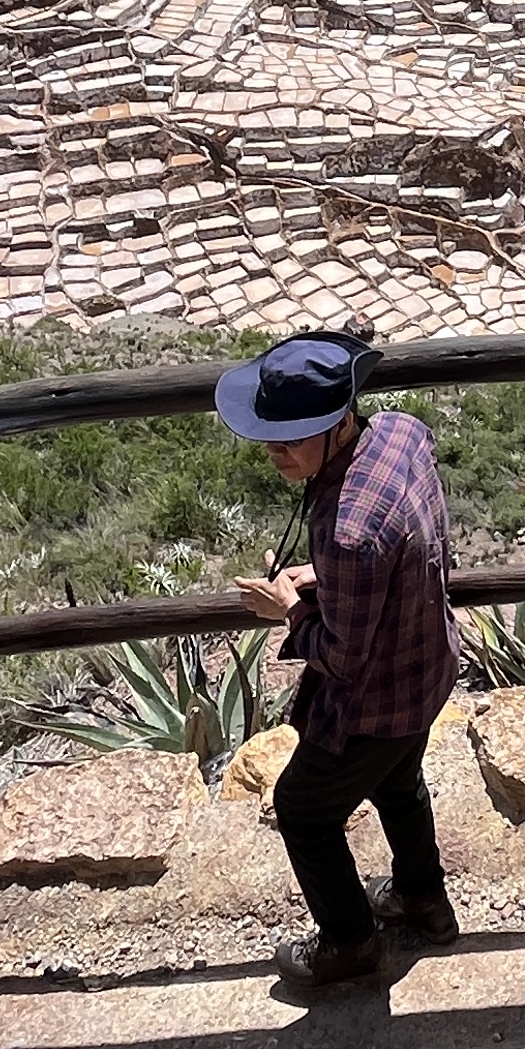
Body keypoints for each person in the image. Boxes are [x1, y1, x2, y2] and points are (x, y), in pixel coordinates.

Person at [217, 334, 465, 996]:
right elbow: (401, 539)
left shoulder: (349, 532)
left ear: (340, 422)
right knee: (398, 780)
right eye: (271, 434)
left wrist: (289, 611)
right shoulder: (402, 433)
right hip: (429, 664)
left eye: (292, 437)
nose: (275, 450)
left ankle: (352, 944)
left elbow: (344, 658)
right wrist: (324, 578)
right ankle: (424, 901)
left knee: (302, 809)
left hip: (377, 697)